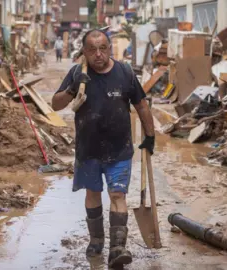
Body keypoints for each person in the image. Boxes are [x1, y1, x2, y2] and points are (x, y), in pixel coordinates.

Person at [51, 29, 155, 268]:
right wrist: (72, 89)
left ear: (110, 48)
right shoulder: (77, 73)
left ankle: (118, 247)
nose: (98, 54)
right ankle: (96, 240)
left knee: (118, 195)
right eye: (92, 50)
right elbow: (55, 105)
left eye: (103, 48)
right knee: (93, 194)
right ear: (85, 52)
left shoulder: (125, 73)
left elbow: (141, 105)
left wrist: (150, 136)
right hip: (88, 150)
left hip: (119, 149)